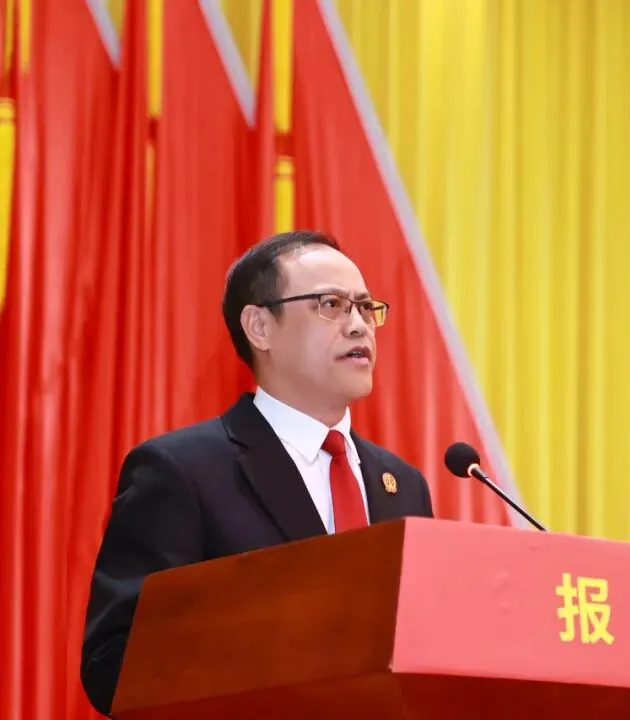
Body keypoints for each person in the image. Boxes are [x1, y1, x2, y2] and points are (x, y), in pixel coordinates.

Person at [79, 230, 434, 717]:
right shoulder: (181, 471)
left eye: (365, 307)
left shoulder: (403, 485)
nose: (359, 326)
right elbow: (114, 662)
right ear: (259, 327)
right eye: (331, 305)